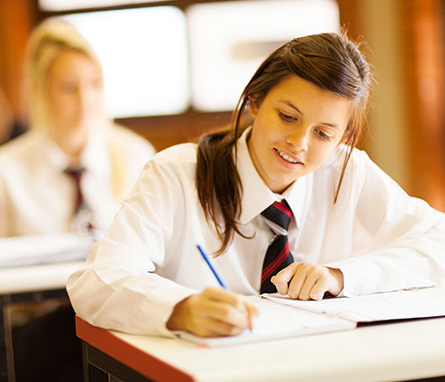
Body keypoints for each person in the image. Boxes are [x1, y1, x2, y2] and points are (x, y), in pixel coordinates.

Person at [67, 32, 445, 339]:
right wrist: (180, 309)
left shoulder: (348, 173)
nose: (300, 142)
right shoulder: (176, 175)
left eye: (323, 133)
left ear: (342, 138)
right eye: (287, 116)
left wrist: (341, 275)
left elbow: (438, 241)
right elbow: (97, 281)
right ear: (254, 100)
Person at [0, 19, 155, 381]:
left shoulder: (133, 155)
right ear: (41, 91)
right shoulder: (8, 170)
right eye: (68, 88)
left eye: (94, 85)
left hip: (120, 318)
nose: (85, 100)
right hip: (38, 328)